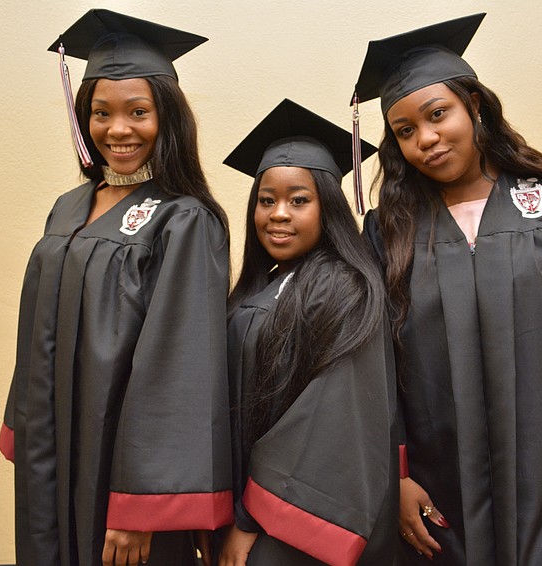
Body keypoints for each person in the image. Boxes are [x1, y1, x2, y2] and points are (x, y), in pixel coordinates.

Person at [352, 13, 542, 566]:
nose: (426, 139)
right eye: (405, 131)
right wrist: (395, 475)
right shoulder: (389, 230)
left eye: (438, 114)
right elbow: (374, 363)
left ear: (474, 106)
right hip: (435, 478)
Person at [0, 9, 232, 566]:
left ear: (167, 118)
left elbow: (178, 369)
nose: (118, 129)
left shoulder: (184, 219)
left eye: (138, 112)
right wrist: (32, 431)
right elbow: (36, 333)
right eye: (101, 112)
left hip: (122, 472)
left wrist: (141, 503)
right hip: (56, 453)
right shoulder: (69, 206)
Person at [218, 99, 398, 566]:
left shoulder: (341, 285)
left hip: (285, 521)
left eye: (299, 200)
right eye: (266, 200)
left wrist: (249, 518)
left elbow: (329, 420)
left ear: (328, 207)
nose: (278, 213)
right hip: (245, 505)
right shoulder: (263, 285)